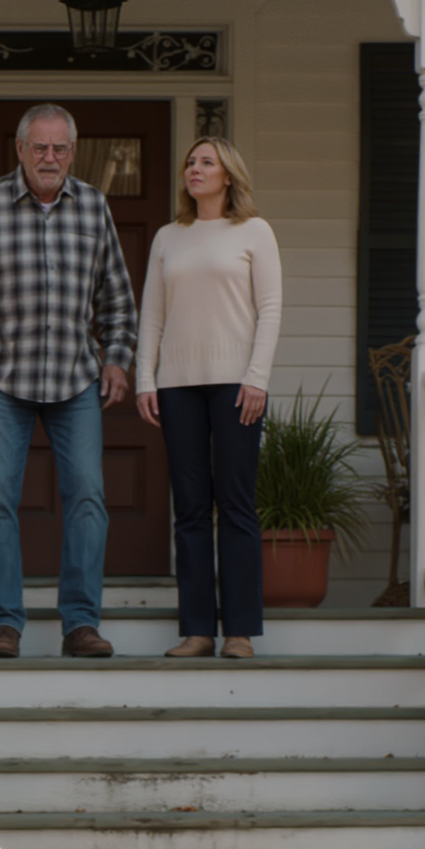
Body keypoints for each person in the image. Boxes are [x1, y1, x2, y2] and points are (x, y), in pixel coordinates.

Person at [0, 103, 137, 660]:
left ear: (72, 152)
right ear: (20, 150)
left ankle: (81, 625)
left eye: (61, 148)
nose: (50, 158)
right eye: (40, 147)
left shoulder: (93, 207)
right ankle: (3, 623)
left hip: (76, 381)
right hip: (2, 383)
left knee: (88, 500)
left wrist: (117, 359)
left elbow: (117, 300)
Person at [135, 137, 282, 659]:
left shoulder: (255, 232)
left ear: (228, 175)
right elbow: (151, 314)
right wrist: (145, 380)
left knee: (236, 505)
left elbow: (270, 309)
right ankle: (197, 630)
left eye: (206, 162)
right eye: (190, 163)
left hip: (237, 384)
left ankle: (239, 631)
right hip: (177, 385)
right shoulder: (168, 237)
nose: (194, 169)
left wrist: (257, 378)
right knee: (191, 509)